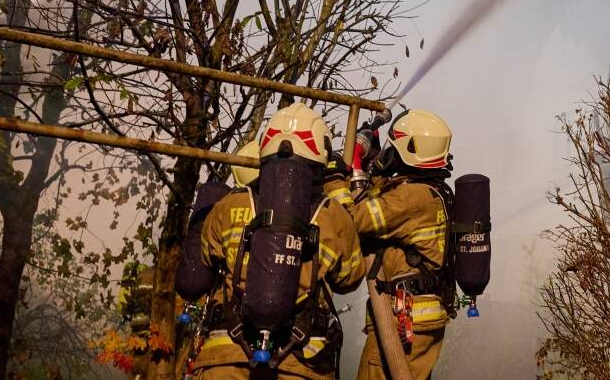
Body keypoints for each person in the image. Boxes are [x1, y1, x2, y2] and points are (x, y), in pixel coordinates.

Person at [189, 102, 365, 380]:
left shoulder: (228, 205)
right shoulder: (334, 217)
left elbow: (206, 259)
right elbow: (350, 278)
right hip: (300, 361)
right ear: (321, 152)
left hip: (225, 357)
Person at [349, 109, 455, 380]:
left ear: (409, 149)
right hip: (421, 317)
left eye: (392, 149)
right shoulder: (429, 192)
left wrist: (338, 171)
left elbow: (355, 219)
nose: (388, 154)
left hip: (400, 321)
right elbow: (382, 202)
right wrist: (370, 160)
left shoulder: (411, 197)